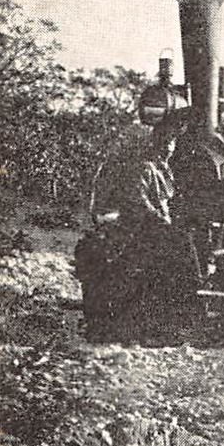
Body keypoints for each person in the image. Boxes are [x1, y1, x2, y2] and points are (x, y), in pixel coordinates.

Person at [76, 121, 182, 340]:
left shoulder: (165, 169)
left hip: (153, 226)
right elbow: (140, 202)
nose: (169, 148)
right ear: (155, 143)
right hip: (138, 229)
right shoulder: (145, 168)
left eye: (171, 143)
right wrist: (162, 221)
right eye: (165, 143)